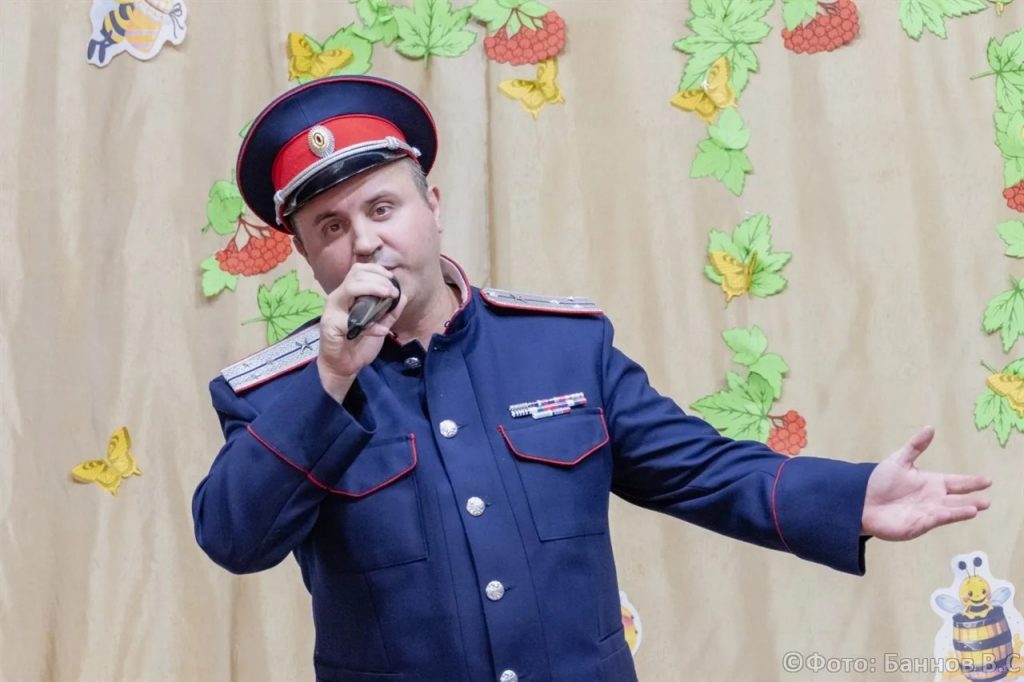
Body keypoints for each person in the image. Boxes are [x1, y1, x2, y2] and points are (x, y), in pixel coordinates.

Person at [192, 75, 992, 682]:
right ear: (307, 257)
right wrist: (330, 378)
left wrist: (853, 498)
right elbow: (234, 541)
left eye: (381, 208)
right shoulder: (275, 394)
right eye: (331, 227)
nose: (365, 242)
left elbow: (702, 470)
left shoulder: (562, 348)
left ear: (432, 205)